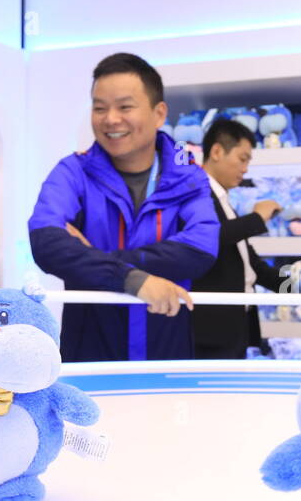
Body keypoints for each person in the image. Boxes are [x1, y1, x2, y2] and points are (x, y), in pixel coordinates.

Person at [28, 53, 219, 361]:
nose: (110, 119)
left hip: (166, 355)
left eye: (125, 107)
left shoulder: (188, 177)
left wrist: (96, 260)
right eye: (99, 107)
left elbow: (201, 250)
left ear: (159, 114)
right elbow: (46, 243)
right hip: (89, 352)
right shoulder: (72, 172)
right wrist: (134, 280)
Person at [191, 118, 287, 359]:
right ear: (216, 151)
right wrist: (257, 218)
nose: (245, 169)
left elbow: (250, 266)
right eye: (242, 159)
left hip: (234, 329)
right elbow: (204, 240)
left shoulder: (222, 199)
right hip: (209, 333)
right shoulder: (194, 191)